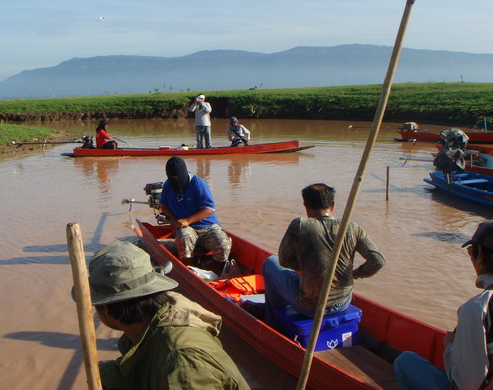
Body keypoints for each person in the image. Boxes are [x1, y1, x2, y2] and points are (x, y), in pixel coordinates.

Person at [77, 241, 250, 390]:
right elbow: (139, 366)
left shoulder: (182, 363)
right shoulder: (148, 326)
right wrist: (102, 375)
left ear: (105, 309)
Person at [394, 220, 493, 390]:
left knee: (404, 362)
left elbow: (465, 385)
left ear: (480, 254)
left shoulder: (477, 309)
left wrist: (450, 348)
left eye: (471, 252)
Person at [262, 183, 385, 325]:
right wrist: (355, 274)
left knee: (270, 263)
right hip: (343, 302)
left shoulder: (300, 225)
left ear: (306, 206)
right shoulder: (352, 227)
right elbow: (378, 261)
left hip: (309, 308)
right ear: (333, 205)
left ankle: (272, 320)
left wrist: (307, 268)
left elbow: (284, 261)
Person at [159, 156, 231, 273]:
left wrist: (188, 220)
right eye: (172, 177)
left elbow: (209, 208)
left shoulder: (198, 184)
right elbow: (163, 205)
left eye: (178, 177)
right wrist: (173, 219)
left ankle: (215, 268)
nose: (175, 180)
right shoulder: (168, 185)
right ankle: (189, 269)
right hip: (186, 227)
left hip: (207, 226)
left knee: (223, 244)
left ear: (184, 174)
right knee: (184, 238)